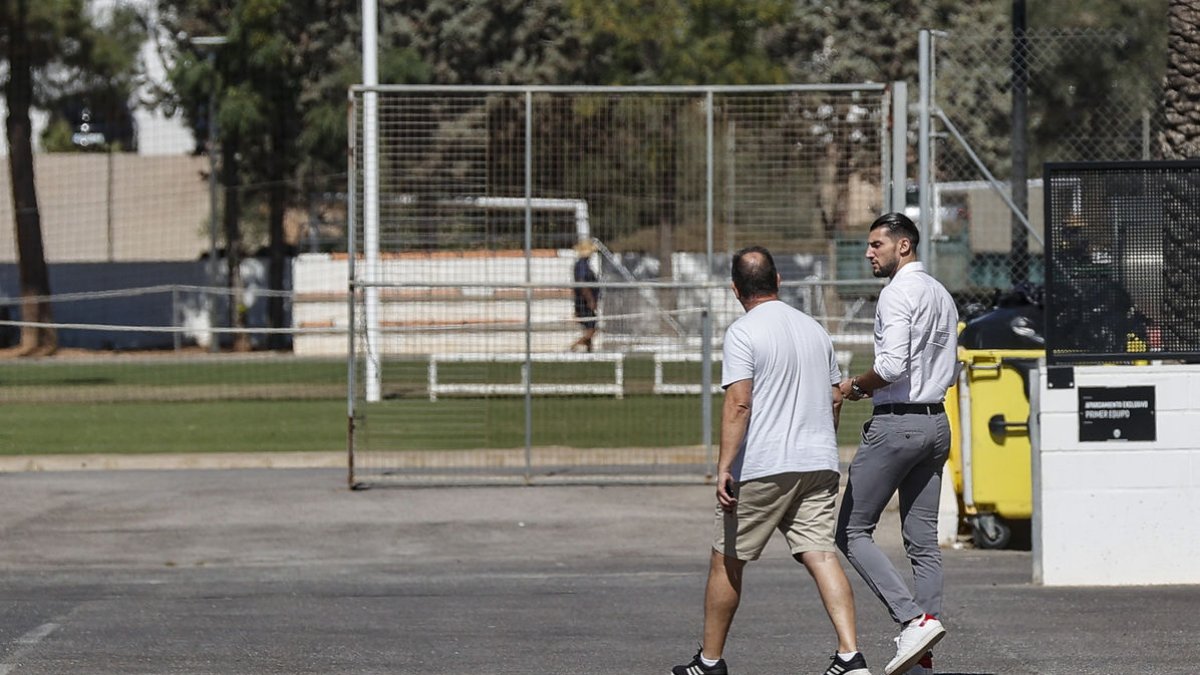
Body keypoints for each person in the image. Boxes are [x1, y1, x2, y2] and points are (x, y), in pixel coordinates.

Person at [672, 246, 872, 675]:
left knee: (727, 557)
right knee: (820, 554)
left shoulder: (743, 332)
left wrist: (725, 465)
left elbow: (739, 403)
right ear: (778, 281)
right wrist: (821, 441)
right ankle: (850, 655)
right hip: (818, 462)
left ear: (734, 289)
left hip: (763, 465)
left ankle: (710, 661)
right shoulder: (815, 330)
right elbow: (836, 395)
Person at [835, 213, 958, 675]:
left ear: (903, 246)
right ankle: (922, 656)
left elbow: (890, 367)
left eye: (876, 245)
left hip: (898, 423)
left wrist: (854, 387)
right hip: (936, 423)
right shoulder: (941, 294)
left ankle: (912, 620)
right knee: (922, 541)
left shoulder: (897, 293)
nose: (869, 253)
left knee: (850, 530)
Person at [570, 238, 600, 352]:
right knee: (592, 329)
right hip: (584, 301)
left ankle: (589, 350)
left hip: (582, 301)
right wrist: (590, 300)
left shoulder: (583, 264)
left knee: (590, 326)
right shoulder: (582, 265)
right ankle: (574, 346)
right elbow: (583, 284)